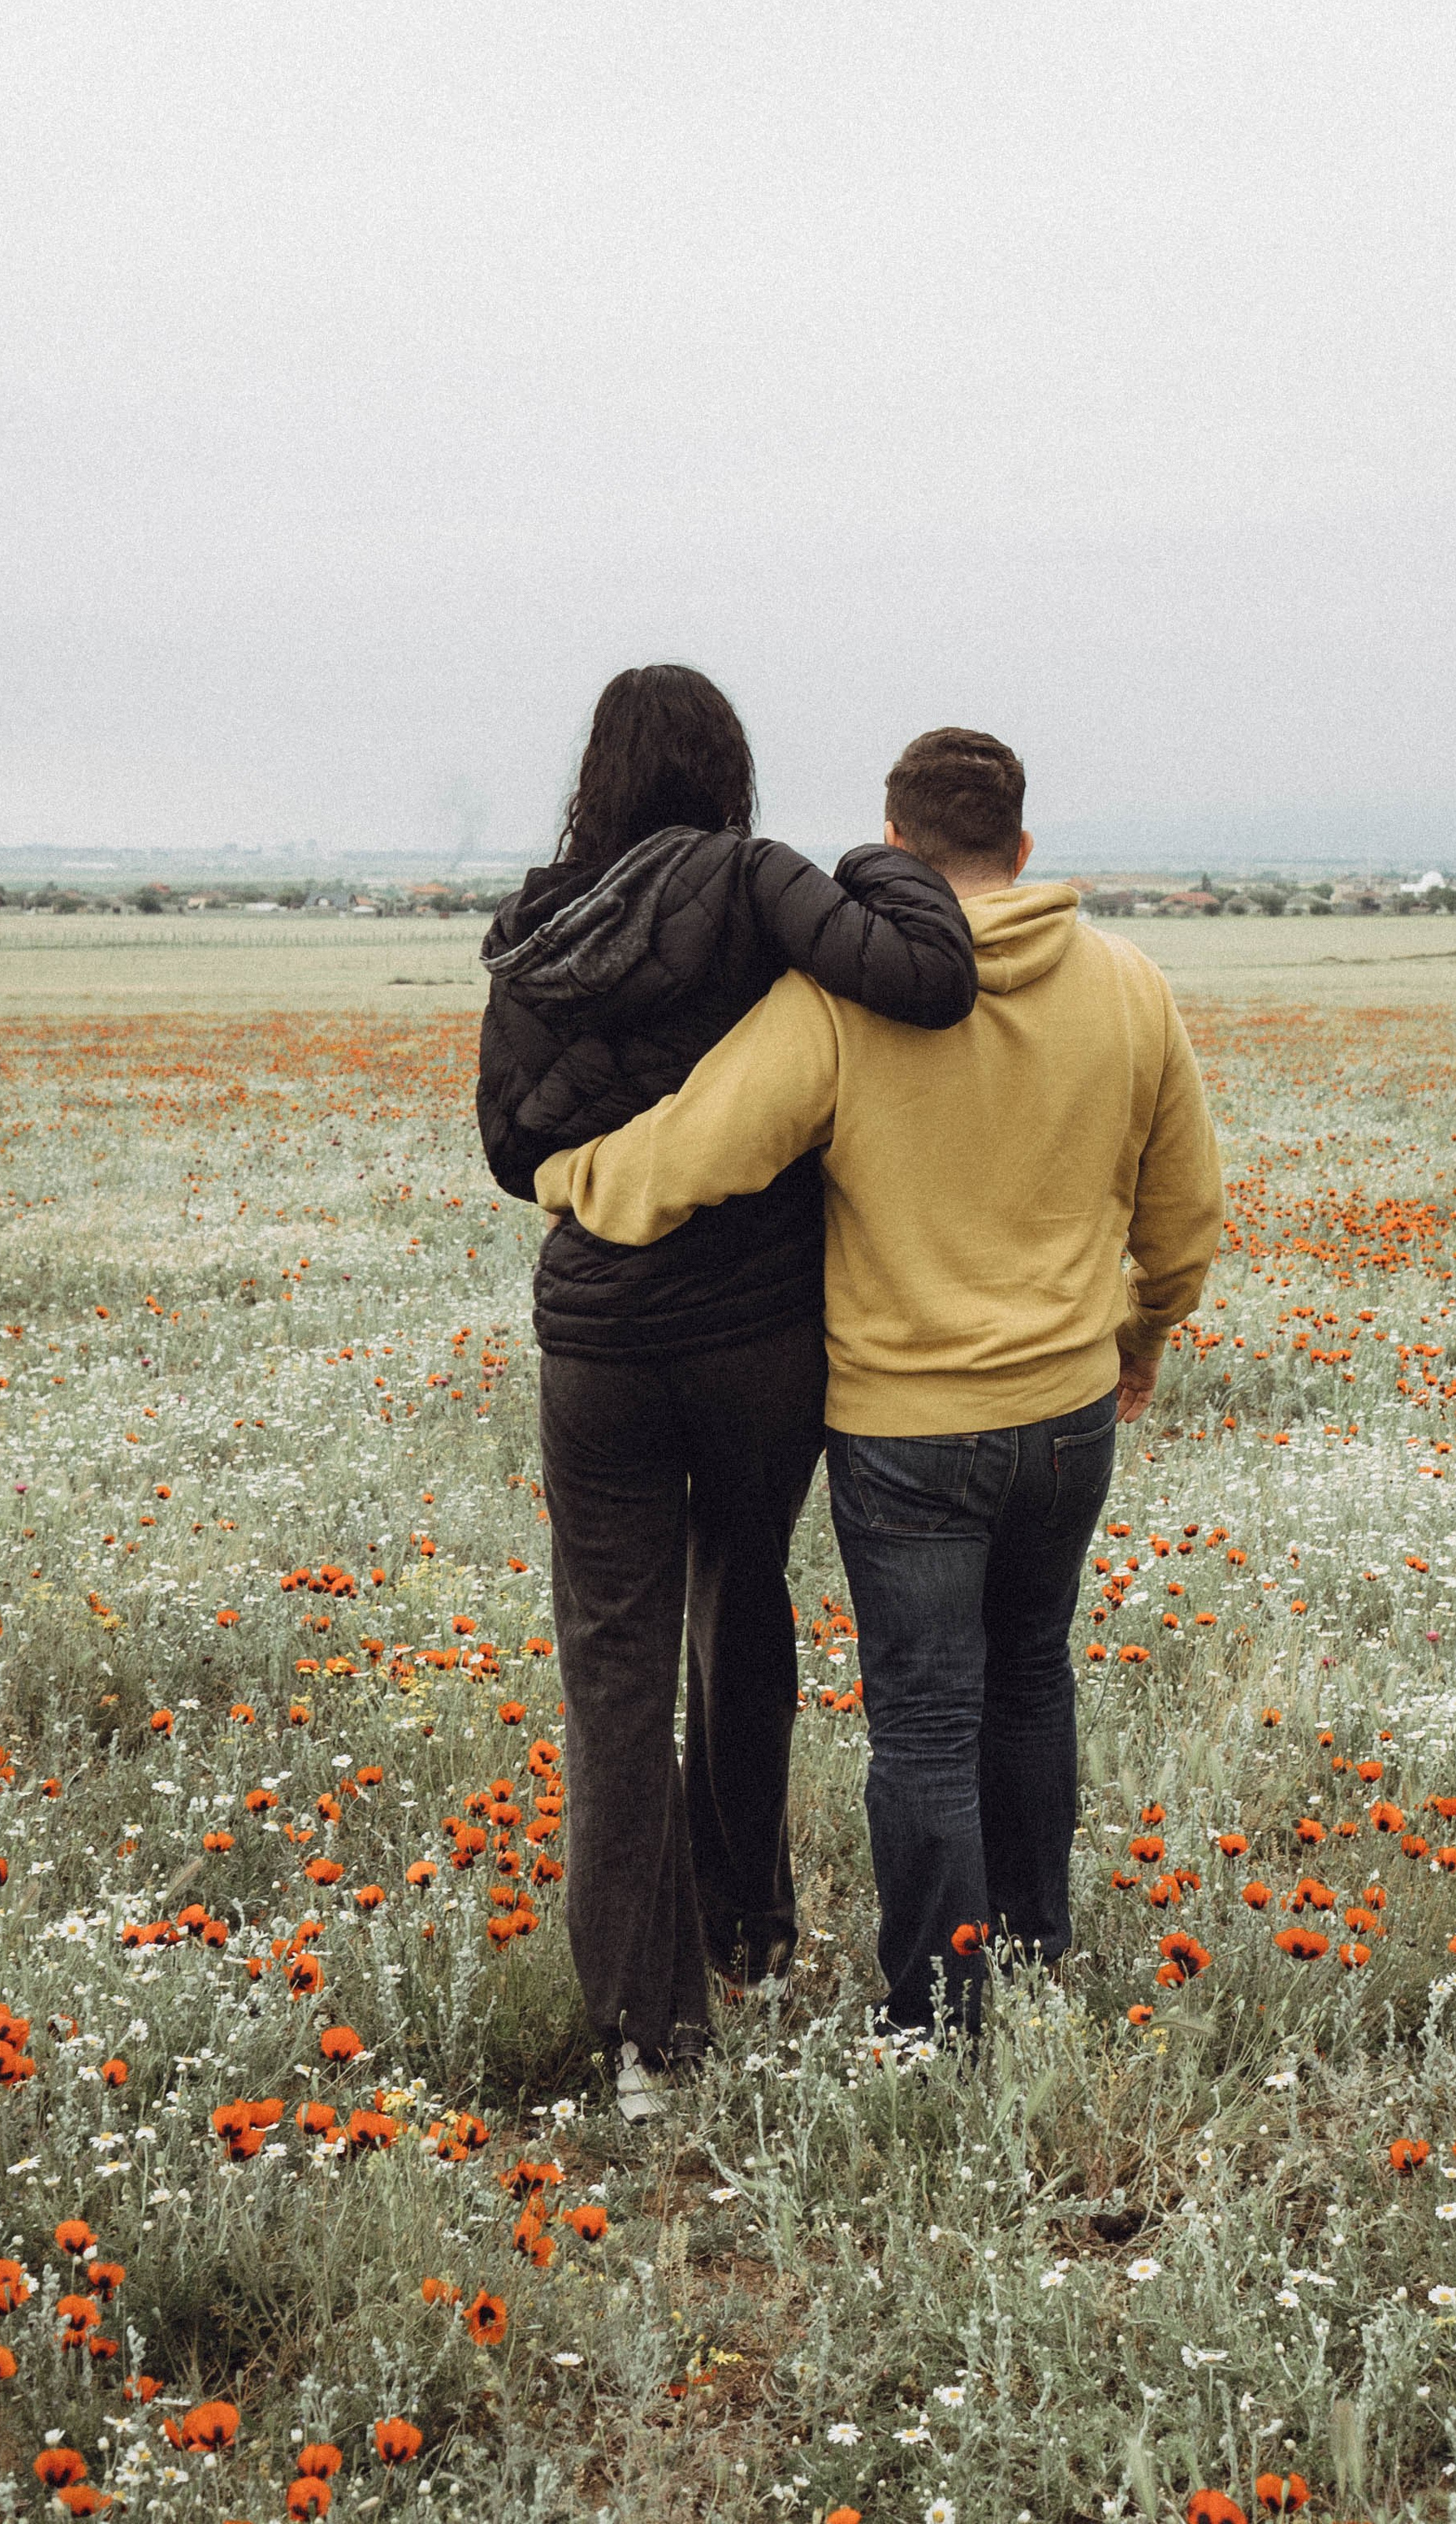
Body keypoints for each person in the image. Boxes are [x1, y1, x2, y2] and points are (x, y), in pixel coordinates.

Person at [534, 725, 1222, 2035]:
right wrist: (1142, 1341)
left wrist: (565, 1179)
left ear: (896, 845)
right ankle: (1031, 1964)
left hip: (908, 1432)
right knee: (1031, 1678)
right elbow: (1184, 1214)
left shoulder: (846, 1001)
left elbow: (690, 1154)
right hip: (1070, 1414)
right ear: (1022, 849)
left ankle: (936, 2018)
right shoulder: (1131, 984)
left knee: (923, 1720)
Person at [477, 666, 976, 2115]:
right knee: (742, 1596)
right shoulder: (762, 885)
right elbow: (930, 979)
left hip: (600, 1351)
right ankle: (747, 1921)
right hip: (762, 1335)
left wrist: (608, 1119)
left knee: (611, 1676)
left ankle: (647, 2039)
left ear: (600, 773)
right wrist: (882, 855)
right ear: (727, 769)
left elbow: (513, 1155)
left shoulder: (538, 926)